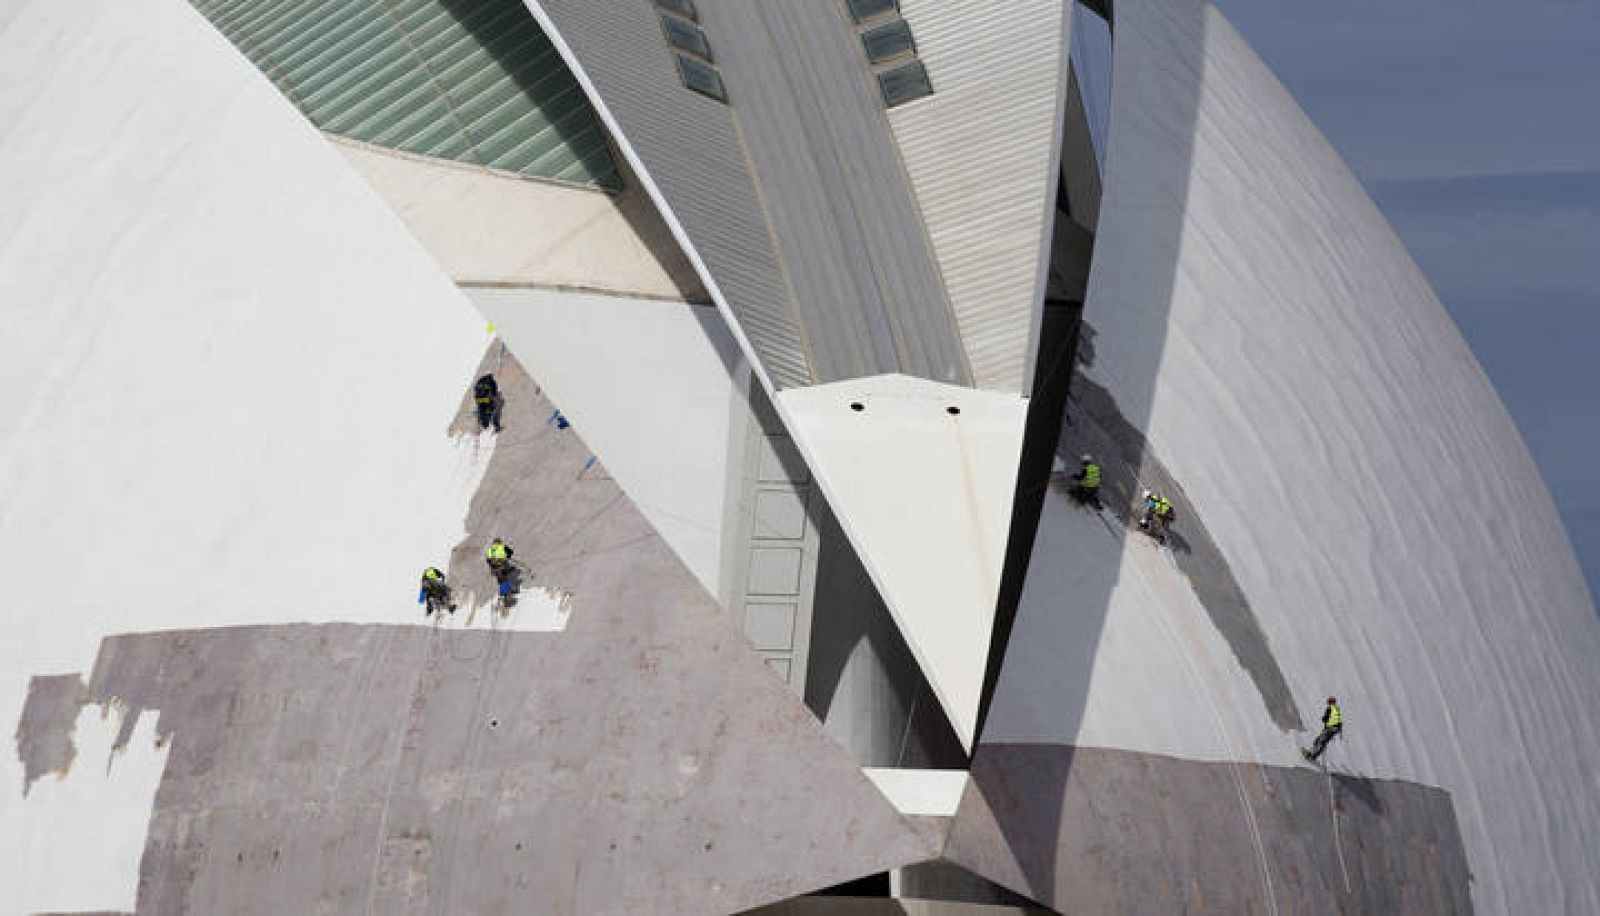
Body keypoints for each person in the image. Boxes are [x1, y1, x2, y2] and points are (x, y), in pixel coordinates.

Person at [1304, 696, 1343, 761]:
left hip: (1329, 729)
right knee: (1323, 742)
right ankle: (1313, 755)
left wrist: (1324, 719)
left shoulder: (1330, 709)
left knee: (1319, 741)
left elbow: (1325, 719)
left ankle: (1311, 755)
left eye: (1328, 702)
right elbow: (1339, 721)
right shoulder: (1336, 709)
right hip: (1335, 730)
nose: (1328, 703)